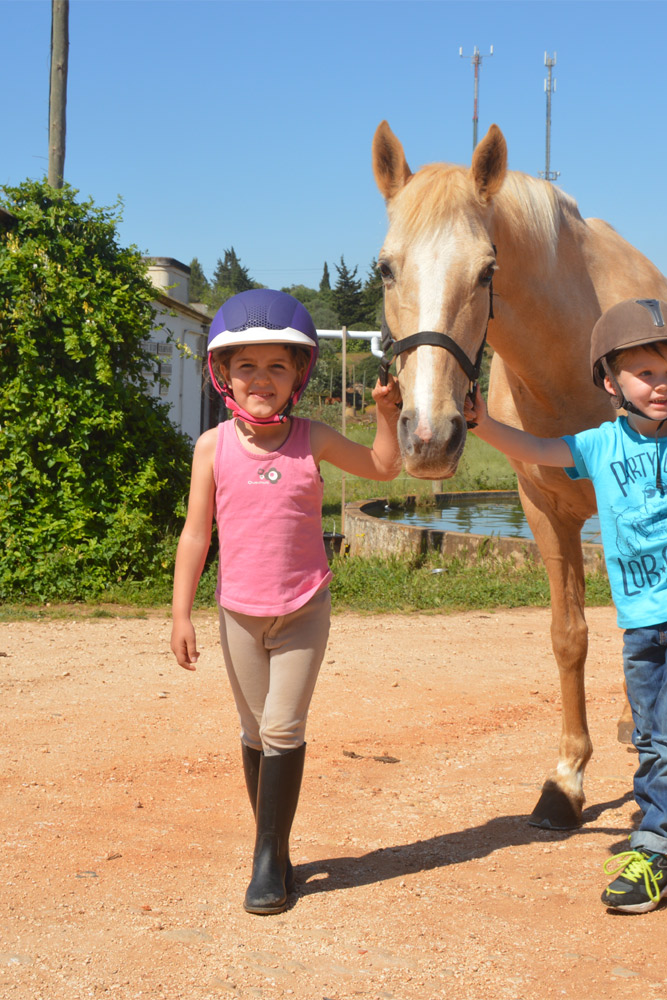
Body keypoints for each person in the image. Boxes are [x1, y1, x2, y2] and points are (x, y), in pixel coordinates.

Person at [464, 297, 667, 914]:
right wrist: (480, 423)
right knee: (651, 734)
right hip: (641, 620)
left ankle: (657, 848)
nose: (661, 385)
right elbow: (537, 450)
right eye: (645, 373)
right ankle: (664, 838)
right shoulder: (600, 445)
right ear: (609, 381)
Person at [170, 288, 402, 915]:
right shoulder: (212, 448)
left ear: (299, 374)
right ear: (223, 375)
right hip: (237, 613)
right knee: (252, 731)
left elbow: (383, 467)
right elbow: (197, 533)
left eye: (278, 365)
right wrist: (181, 613)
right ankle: (273, 841)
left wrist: (386, 414)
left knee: (281, 727)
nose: (262, 379)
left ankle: (268, 858)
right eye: (247, 366)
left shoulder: (313, 439)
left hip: (303, 608)